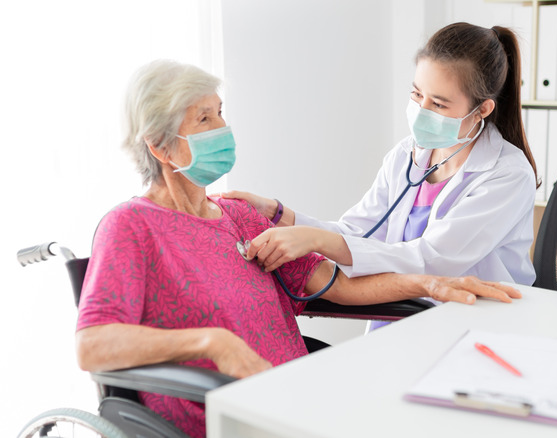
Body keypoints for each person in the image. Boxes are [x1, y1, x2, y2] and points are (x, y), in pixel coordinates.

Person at [74, 59, 521, 438]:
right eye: (204, 119)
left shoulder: (237, 215)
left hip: (298, 400)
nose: (223, 128)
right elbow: (92, 346)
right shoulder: (131, 226)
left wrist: (432, 284)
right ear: (160, 147)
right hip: (225, 413)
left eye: (221, 113)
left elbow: (339, 287)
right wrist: (213, 343)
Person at [227, 22, 539, 293]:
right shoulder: (407, 155)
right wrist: (279, 213)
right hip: (403, 306)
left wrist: (315, 241)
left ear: (482, 109)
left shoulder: (507, 174)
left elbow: (432, 260)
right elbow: (358, 233)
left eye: (439, 104)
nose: (421, 111)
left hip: (474, 319)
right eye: (417, 94)